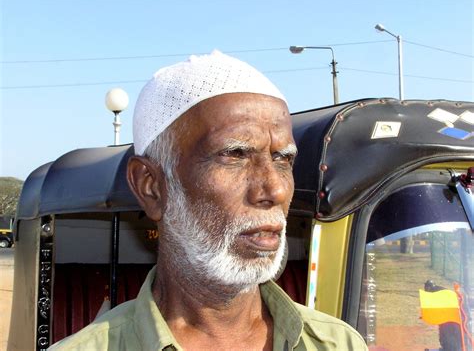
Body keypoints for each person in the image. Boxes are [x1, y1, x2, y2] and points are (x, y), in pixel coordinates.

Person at [49, 50, 368, 350]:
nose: (276, 190)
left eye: (282, 159)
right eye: (236, 154)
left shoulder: (338, 343)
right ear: (152, 187)